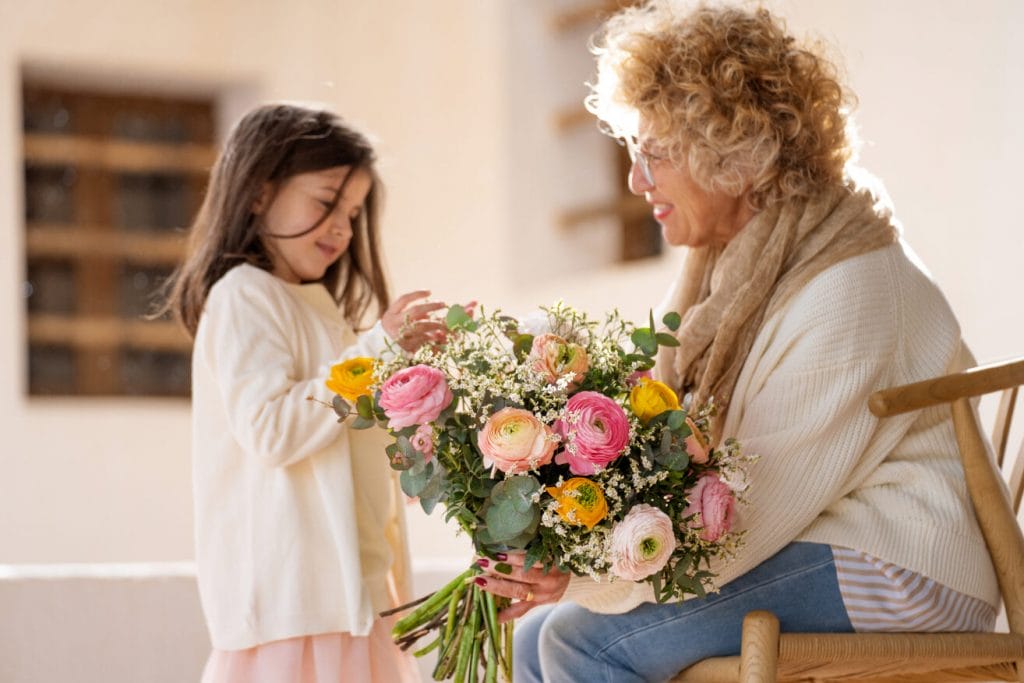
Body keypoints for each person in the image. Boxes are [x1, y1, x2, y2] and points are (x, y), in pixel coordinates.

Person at [474, 3, 1000, 681]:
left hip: (902, 563)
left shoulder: (848, 282)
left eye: (655, 152)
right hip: (823, 539)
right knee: (531, 639)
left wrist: (581, 576)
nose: (637, 182)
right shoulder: (732, 272)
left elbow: (746, 513)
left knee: (578, 640)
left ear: (733, 156)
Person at [162, 103, 444, 682]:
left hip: (350, 601)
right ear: (260, 194)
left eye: (353, 212)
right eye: (325, 203)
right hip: (296, 609)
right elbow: (271, 430)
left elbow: (337, 434)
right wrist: (374, 354)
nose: (342, 228)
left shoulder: (319, 310)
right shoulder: (244, 295)